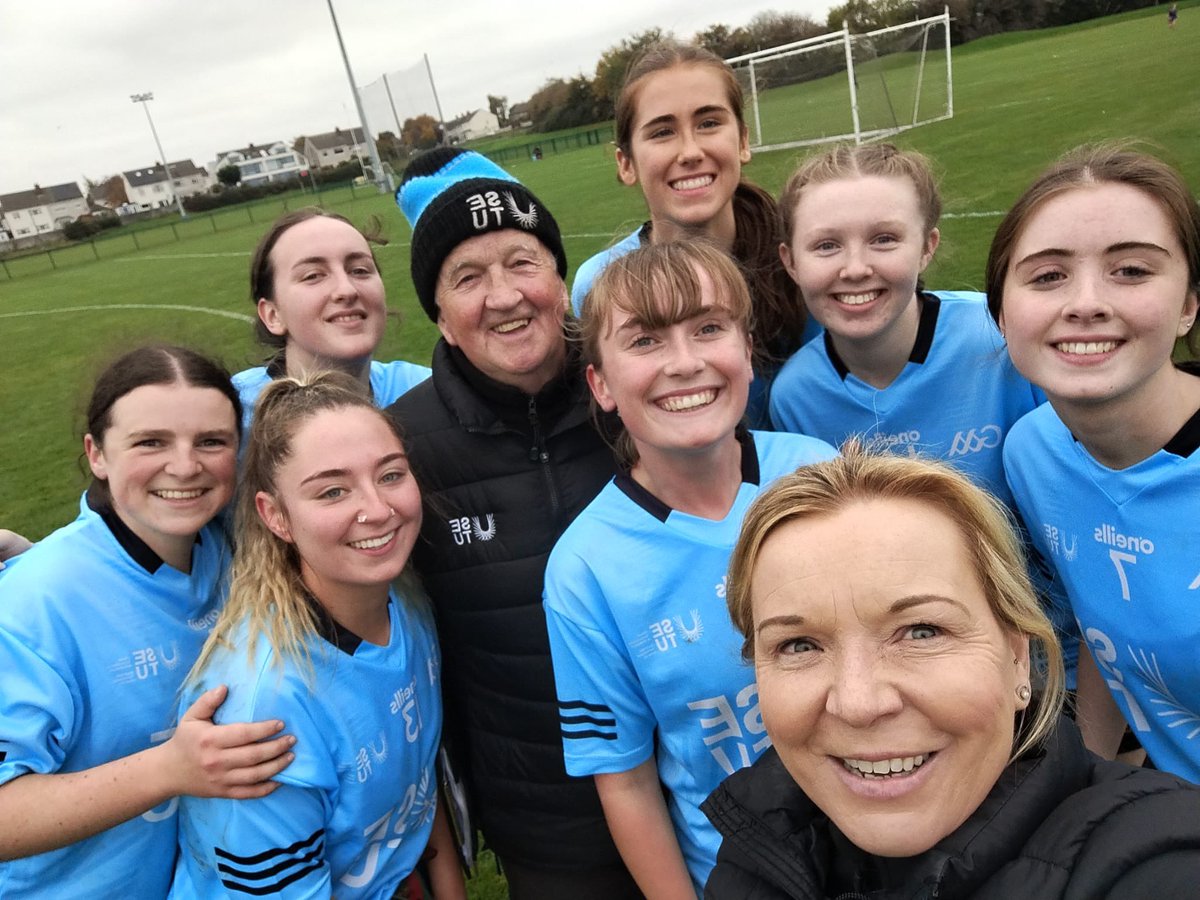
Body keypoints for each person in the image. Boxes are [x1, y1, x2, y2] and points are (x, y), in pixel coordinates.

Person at [703, 447, 1200, 899]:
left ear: (1016, 655)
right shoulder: (758, 849)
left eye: (921, 632)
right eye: (799, 644)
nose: (858, 703)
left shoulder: (1157, 856)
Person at [544, 240, 837, 897]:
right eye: (644, 341)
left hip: (896, 849)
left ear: (747, 349)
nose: (684, 363)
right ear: (601, 384)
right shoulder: (586, 569)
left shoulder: (818, 470)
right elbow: (625, 779)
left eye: (708, 327)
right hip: (744, 879)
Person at [388, 147, 640, 899]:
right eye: (468, 278)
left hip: (695, 781)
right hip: (545, 826)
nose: (504, 297)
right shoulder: (401, 449)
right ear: (438, 312)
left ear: (563, 281)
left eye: (524, 263)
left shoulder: (634, 394)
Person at [0, 345, 294, 896]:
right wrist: (168, 770)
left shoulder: (226, 552)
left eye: (211, 441)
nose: (185, 466)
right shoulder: (33, 604)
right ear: (97, 454)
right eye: (150, 442)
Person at [172, 372, 464, 899]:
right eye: (332, 491)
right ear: (276, 516)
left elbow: (418, 789)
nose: (378, 509)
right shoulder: (264, 709)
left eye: (391, 475)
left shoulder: (406, 602)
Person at [991, 146, 1200, 781]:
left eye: (1132, 270)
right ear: (1001, 312)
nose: (1085, 303)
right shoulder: (1032, 454)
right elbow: (1108, 643)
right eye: (1048, 276)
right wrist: (1084, 787)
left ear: (1190, 303)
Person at [768, 143, 1041, 509]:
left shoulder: (999, 335)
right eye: (826, 245)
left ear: (927, 247)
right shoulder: (795, 396)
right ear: (791, 262)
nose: (855, 268)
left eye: (884, 239)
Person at [571, 39, 810, 427]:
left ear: (744, 140)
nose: (690, 151)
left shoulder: (801, 261)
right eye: (662, 132)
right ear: (626, 162)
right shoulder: (599, 283)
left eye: (709, 123)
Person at [234, 208, 429, 431]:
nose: (347, 290)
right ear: (273, 315)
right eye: (313, 276)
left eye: (360, 270)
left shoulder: (425, 390)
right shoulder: (232, 414)